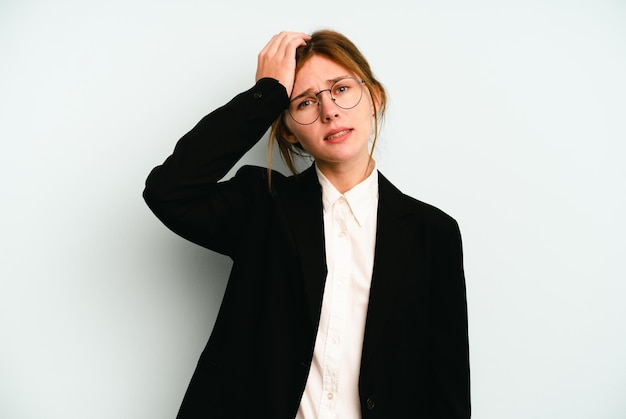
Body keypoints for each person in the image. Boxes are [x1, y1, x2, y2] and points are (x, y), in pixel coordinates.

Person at [144, 30, 470, 419]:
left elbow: (447, 385)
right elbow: (169, 191)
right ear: (287, 129)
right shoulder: (262, 207)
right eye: (305, 102)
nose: (329, 111)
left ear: (375, 98)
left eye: (342, 89)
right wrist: (266, 94)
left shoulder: (433, 233)